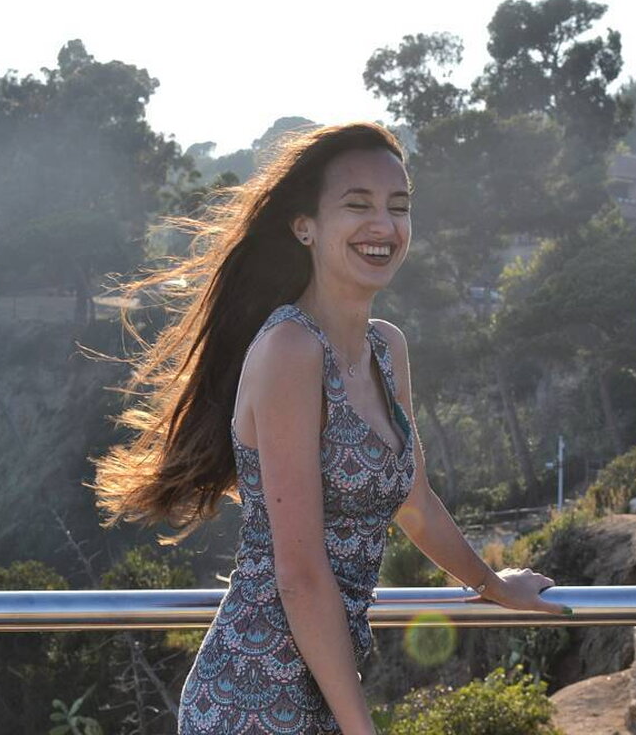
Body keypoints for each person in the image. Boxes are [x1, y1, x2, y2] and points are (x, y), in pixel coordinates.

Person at [92, 122, 566, 734]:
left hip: (323, 683)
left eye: (399, 207)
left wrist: (491, 583)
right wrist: (360, 728)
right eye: (358, 205)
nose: (384, 225)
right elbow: (299, 575)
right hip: (251, 696)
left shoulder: (386, 349)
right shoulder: (290, 349)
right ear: (305, 227)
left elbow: (415, 503)